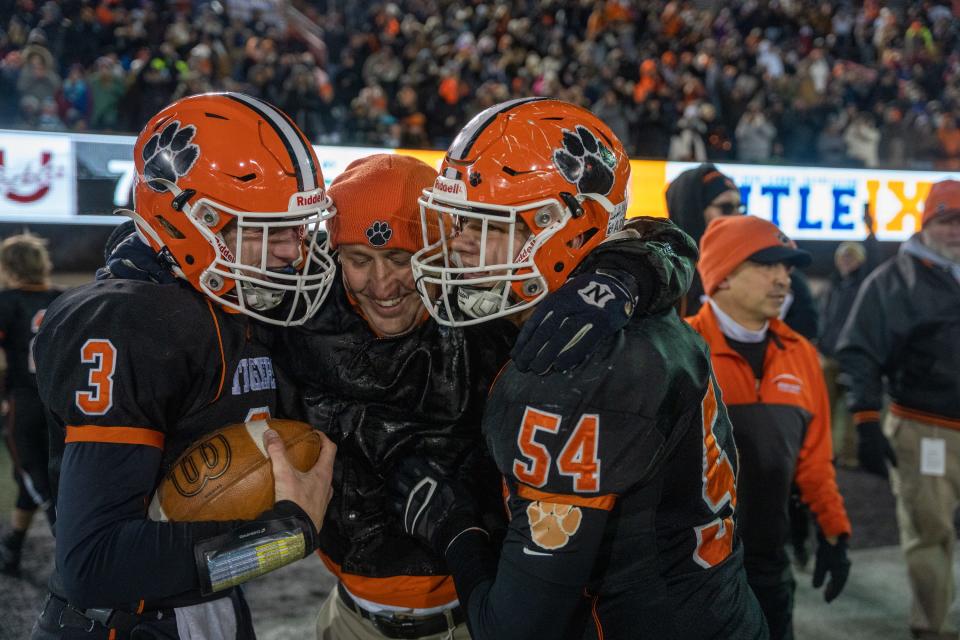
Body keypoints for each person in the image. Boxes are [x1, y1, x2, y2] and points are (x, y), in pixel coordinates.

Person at [280, 150, 699, 640]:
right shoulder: (297, 312)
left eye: (400, 259)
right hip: (351, 615)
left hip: (477, 610)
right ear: (334, 255)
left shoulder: (489, 305)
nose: (382, 284)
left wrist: (623, 275)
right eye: (358, 259)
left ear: (440, 247)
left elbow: (657, 240)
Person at [390, 97, 768, 639]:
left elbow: (513, 630)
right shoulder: (619, 301)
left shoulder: (573, 372)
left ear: (567, 229)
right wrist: (626, 269)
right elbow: (657, 243)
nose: (459, 245)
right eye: (458, 221)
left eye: (488, 225)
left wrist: (454, 528)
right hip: (714, 608)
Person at [30, 92, 337, 640]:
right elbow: (95, 563)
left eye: (300, 227)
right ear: (196, 221)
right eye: (272, 229)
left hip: (209, 607)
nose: (295, 251)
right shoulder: (128, 320)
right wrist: (282, 538)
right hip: (124, 623)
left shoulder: (228, 301)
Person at [686, 215, 853, 640]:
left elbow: (814, 462)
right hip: (690, 572)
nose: (783, 280)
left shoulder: (800, 355)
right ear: (721, 275)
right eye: (766, 266)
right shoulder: (681, 350)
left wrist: (834, 531)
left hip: (769, 564)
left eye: (787, 269)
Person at [837, 179, 960, 640]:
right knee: (931, 533)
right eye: (946, 220)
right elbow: (858, 351)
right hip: (926, 427)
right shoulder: (893, 280)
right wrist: (866, 419)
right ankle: (931, 627)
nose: (956, 231)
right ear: (927, 224)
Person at [665, 163, 819, 339]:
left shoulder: (790, 282)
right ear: (693, 213)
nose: (738, 216)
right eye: (726, 208)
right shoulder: (666, 276)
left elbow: (805, 340)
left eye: (740, 208)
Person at [0, 233, 63, 577]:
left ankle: (73, 555)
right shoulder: (65, 299)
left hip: (25, 401)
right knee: (39, 474)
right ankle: (13, 544)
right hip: (63, 401)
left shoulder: (7, 301)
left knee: (37, 478)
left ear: (9, 267)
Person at [818, 216, 880, 468]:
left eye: (852, 257)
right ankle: (826, 454)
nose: (846, 260)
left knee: (852, 410)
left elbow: (874, 258)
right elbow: (824, 319)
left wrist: (871, 229)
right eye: (844, 256)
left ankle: (851, 457)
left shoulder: (865, 284)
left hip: (854, 357)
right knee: (825, 409)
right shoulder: (832, 286)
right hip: (830, 356)